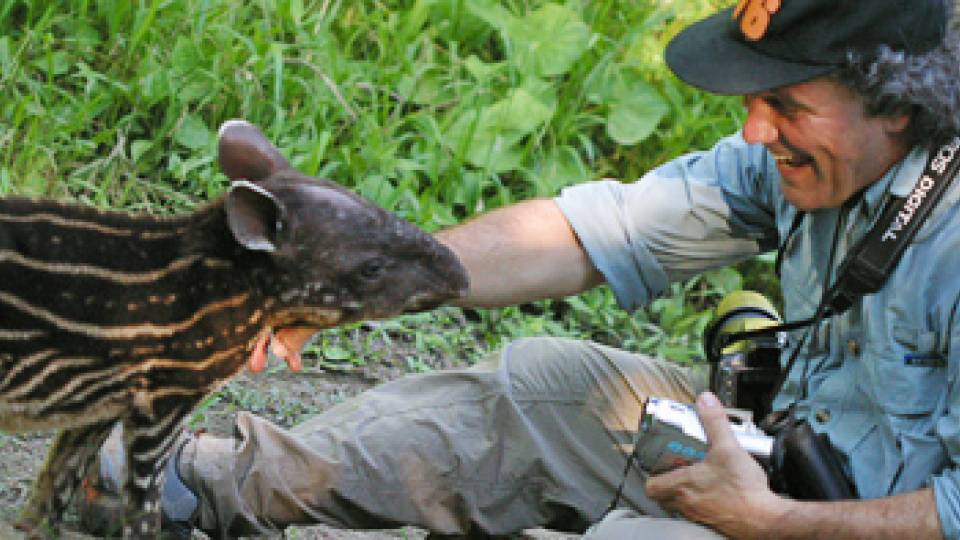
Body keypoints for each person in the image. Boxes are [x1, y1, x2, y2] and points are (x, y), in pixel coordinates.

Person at [81, 0, 960, 538]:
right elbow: (589, 235)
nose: (757, 130)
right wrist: (357, 287)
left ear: (898, 104)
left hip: (834, 519)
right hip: (778, 457)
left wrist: (779, 527)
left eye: (787, 104)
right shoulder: (798, 162)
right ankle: (200, 484)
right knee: (547, 385)